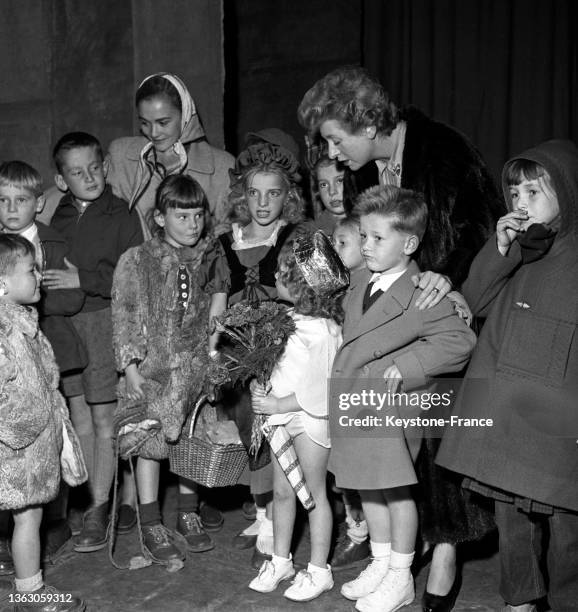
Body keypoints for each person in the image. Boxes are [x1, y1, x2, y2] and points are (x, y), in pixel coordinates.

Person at [299, 66, 502, 610]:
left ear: (366, 123)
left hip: (448, 309)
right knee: (387, 456)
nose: (335, 155)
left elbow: (483, 228)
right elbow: (364, 248)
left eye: (337, 140)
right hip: (389, 318)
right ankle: (397, 557)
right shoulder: (366, 174)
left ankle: (442, 550)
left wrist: (449, 276)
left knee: (439, 442)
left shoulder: (443, 149)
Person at [437, 140, 578, 612]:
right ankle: (519, 601)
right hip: (503, 406)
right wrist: (499, 250)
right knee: (512, 519)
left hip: (556, 418)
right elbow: (472, 304)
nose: (519, 203)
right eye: (513, 193)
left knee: (566, 533)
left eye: (533, 192)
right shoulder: (514, 249)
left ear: (568, 192)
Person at [329, 186, 477, 612]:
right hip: (354, 399)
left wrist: (409, 366)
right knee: (366, 488)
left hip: (391, 406)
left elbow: (459, 342)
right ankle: (380, 561)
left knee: (395, 492)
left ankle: (401, 575)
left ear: (409, 243)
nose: (367, 247)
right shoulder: (359, 281)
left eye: (378, 239)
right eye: (365, 236)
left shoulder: (421, 293)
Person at [111, 174, 229, 563]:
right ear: (160, 218)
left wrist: (214, 356)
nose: (192, 225)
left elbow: (218, 305)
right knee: (150, 446)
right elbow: (126, 314)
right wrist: (130, 368)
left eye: (197, 216)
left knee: (192, 443)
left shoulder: (210, 255)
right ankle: (150, 520)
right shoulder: (138, 259)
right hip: (154, 371)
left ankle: (187, 514)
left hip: (195, 369)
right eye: (181, 216)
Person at [42, 132, 143, 553]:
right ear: (61, 180)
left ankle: (102, 507)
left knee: (105, 420)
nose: (89, 177)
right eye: (77, 172)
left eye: (95, 167)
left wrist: (82, 280)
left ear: (105, 166)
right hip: (63, 328)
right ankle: (83, 502)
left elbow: (134, 278)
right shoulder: (54, 216)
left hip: (104, 322)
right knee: (77, 418)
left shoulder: (121, 216)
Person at [219, 137, 306, 567]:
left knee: (274, 427)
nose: (263, 202)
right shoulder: (224, 242)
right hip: (238, 351)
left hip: (283, 348)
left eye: (273, 193)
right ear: (241, 194)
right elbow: (218, 299)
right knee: (246, 425)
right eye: (254, 192)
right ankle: (261, 510)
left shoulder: (294, 237)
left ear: (288, 197)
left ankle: (276, 517)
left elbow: (306, 296)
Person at [248, 231, 345, 601]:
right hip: (279, 415)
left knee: (315, 495)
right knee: (282, 491)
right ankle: (281, 559)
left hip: (308, 419)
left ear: (301, 283)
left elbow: (320, 389)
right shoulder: (285, 318)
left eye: (281, 273)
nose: (274, 278)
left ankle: (320, 569)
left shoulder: (323, 331)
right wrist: (263, 387)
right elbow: (278, 366)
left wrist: (279, 405)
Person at [0, 161, 87, 564]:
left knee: (30, 515)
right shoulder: (7, 331)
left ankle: (29, 589)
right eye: (31, 271)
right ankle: (29, 595)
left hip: (29, 445)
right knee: (25, 517)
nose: (39, 276)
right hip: (17, 444)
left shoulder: (25, 320)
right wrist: (27, 426)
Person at [107, 72, 234, 237]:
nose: (153, 132)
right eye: (145, 123)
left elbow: (234, 231)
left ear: (185, 115)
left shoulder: (222, 167)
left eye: (163, 123)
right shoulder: (121, 156)